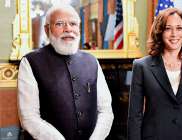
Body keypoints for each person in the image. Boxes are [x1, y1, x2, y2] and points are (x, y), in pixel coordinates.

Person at [17, 5, 114, 140]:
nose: (68, 29)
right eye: (59, 24)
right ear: (47, 29)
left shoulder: (92, 61)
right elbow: (28, 117)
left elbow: (105, 111)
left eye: (73, 24)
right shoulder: (30, 62)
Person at [128, 8, 182, 140]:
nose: (174, 34)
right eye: (168, 28)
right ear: (160, 32)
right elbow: (135, 115)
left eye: (179, 28)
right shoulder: (141, 66)